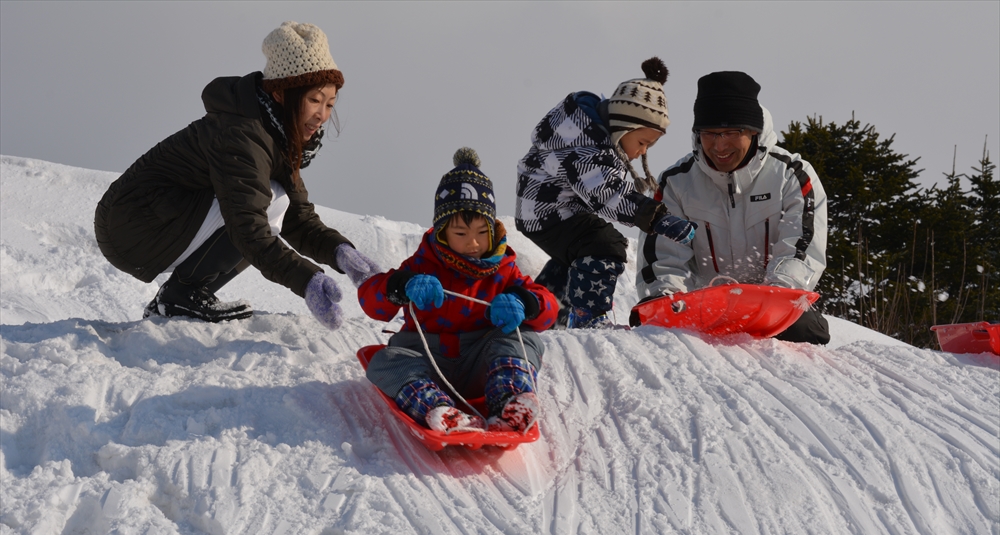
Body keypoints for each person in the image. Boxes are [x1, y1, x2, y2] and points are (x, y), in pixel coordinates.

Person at [94, 21, 380, 326]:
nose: (321, 115)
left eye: (329, 104)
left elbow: (297, 218)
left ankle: (183, 294)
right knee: (270, 202)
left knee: (275, 202)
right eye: (314, 100)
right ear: (282, 94)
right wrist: (307, 280)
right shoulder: (244, 134)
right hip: (134, 223)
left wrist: (341, 253)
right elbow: (249, 229)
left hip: (156, 219)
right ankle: (182, 295)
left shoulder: (275, 132)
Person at [359, 148, 558, 433]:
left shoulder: (503, 269)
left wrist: (525, 303)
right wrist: (402, 286)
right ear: (442, 232)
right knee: (384, 362)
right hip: (429, 361)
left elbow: (548, 308)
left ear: (492, 230)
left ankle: (510, 403)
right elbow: (370, 300)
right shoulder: (422, 265)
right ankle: (441, 411)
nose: (473, 243)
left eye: (481, 233)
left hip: (483, 364)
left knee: (524, 339)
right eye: (461, 234)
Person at [635, 71, 830, 344]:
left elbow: (799, 247)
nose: (719, 145)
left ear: (753, 131)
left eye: (731, 133)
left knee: (807, 331)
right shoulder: (677, 183)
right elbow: (663, 258)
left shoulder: (791, 176)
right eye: (709, 134)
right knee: (656, 330)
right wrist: (669, 300)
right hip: (702, 310)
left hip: (770, 304)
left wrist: (772, 298)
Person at [514, 57, 697, 329]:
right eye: (643, 142)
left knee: (578, 254)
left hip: (548, 210)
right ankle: (588, 316)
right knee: (604, 244)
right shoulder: (588, 149)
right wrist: (656, 218)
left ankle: (540, 313)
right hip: (548, 213)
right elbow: (608, 195)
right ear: (624, 127)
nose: (644, 151)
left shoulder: (585, 132)